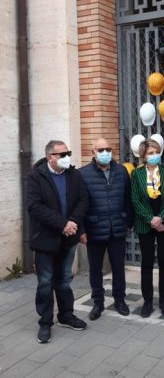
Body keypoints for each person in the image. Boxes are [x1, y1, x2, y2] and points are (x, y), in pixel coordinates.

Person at [27, 140, 89, 343]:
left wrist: (72, 223)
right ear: (50, 157)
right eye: (62, 154)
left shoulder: (73, 174)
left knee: (64, 280)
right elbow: (35, 207)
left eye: (68, 153)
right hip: (46, 240)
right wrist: (62, 224)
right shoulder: (36, 177)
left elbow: (83, 200)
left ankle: (66, 315)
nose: (66, 157)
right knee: (45, 283)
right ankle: (45, 323)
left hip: (68, 238)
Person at [79, 138, 133, 320]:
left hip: (117, 228)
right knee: (95, 268)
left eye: (108, 149)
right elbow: (78, 205)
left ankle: (119, 300)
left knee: (118, 267)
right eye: (100, 149)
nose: (105, 152)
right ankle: (98, 302)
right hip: (94, 230)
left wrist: (128, 221)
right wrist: (82, 230)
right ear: (93, 152)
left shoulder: (121, 171)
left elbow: (128, 199)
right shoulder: (83, 174)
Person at [129, 139, 164, 318]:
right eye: (150, 153)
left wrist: (161, 219)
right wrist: (151, 219)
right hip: (145, 222)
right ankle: (148, 300)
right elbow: (135, 200)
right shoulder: (136, 174)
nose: (154, 156)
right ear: (143, 156)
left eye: (156, 152)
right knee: (147, 262)